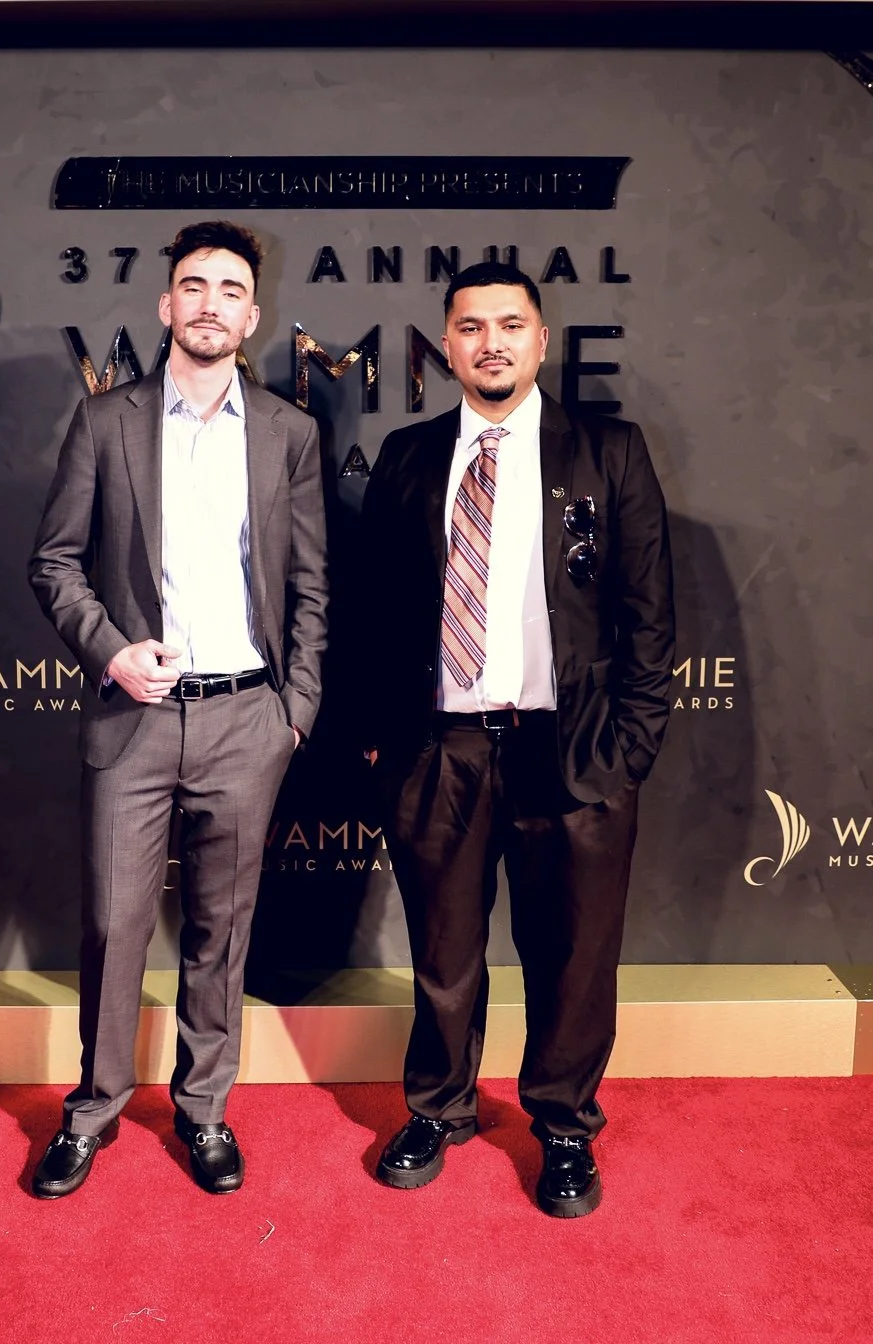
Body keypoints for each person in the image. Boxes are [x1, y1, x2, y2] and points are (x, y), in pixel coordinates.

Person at [362, 260, 673, 1217]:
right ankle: (437, 1108)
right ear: (445, 346)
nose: (489, 342)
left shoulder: (608, 451)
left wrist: (626, 752)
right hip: (440, 751)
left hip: (571, 749)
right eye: (469, 327)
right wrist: (384, 744)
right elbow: (373, 611)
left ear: (540, 339)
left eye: (508, 325)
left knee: (574, 957)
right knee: (442, 952)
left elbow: (649, 619)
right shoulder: (408, 455)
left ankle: (564, 1128)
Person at [28, 220, 327, 1199]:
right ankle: (93, 1110)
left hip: (248, 721)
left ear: (252, 315)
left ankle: (204, 1111)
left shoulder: (288, 433)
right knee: (114, 928)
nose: (210, 304)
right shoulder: (104, 421)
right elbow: (55, 562)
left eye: (229, 290)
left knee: (220, 931)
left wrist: (294, 709)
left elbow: (310, 583)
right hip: (135, 719)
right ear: (166, 306)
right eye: (193, 286)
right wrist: (111, 653)